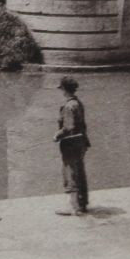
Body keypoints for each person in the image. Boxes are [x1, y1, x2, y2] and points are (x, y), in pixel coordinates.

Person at [54, 76, 91, 215]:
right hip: (81, 142)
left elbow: (69, 127)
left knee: (71, 173)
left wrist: (57, 135)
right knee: (80, 172)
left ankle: (74, 208)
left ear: (64, 89)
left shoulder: (68, 106)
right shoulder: (78, 103)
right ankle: (82, 204)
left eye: (62, 89)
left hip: (71, 144)